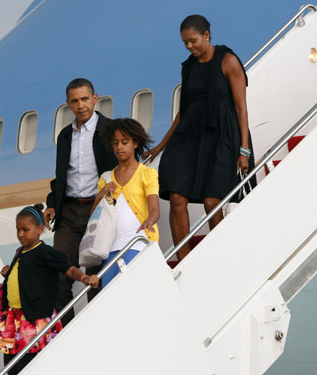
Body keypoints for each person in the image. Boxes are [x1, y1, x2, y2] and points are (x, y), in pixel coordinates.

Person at [145, 15, 255, 261]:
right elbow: (184, 109)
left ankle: (218, 257)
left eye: (192, 40)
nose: (189, 46)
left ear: (206, 35)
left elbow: (241, 108)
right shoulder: (188, 66)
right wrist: (161, 145)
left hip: (223, 135)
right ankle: (183, 260)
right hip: (192, 135)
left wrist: (244, 149)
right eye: (185, 43)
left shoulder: (228, 61)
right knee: (176, 195)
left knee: (211, 200)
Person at [0, 204, 99, 374]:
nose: (20, 234)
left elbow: (67, 268)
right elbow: (26, 275)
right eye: (17, 230)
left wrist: (84, 278)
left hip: (32, 318)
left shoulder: (45, 252)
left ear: (39, 229)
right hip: (14, 318)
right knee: (10, 367)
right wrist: (9, 274)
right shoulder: (20, 251)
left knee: (27, 366)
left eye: (25, 230)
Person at [44, 78, 118, 324]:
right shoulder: (65, 135)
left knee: (96, 273)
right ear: (68, 104)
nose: (80, 105)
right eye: (74, 101)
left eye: (85, 99)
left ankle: (98, 328)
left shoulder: (110, 130)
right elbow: (62, 176)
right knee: (58, 272)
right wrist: (52, 202)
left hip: (98, 210)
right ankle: (65, 330)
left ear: (95, 99)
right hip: (69, 212)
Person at [92, 118, 160, 287]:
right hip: (111, 245)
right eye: (115, 143)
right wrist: (102, 193)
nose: (119, 147)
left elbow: (154, 209)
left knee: (130, 287)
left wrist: (150, 221)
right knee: (109, 291)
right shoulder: (106, 178)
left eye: (124, 142)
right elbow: (95, 215)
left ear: (135, 143)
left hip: (137, 241)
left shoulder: (147, 174)